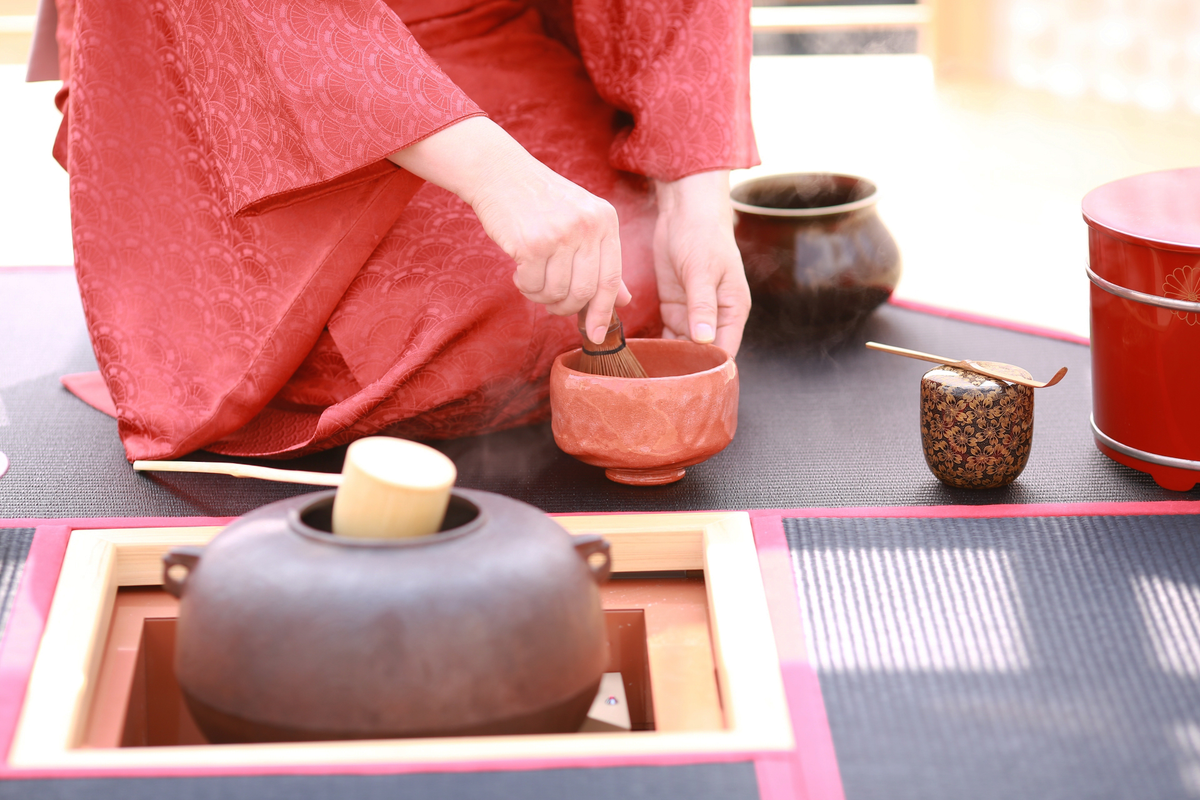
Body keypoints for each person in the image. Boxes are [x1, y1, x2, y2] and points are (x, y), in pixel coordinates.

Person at [46, 0, 758, 460]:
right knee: (441, 323)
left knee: (624, 260)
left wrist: (694, 192)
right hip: (238, 61)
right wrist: (496, 176)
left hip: (480, 32)